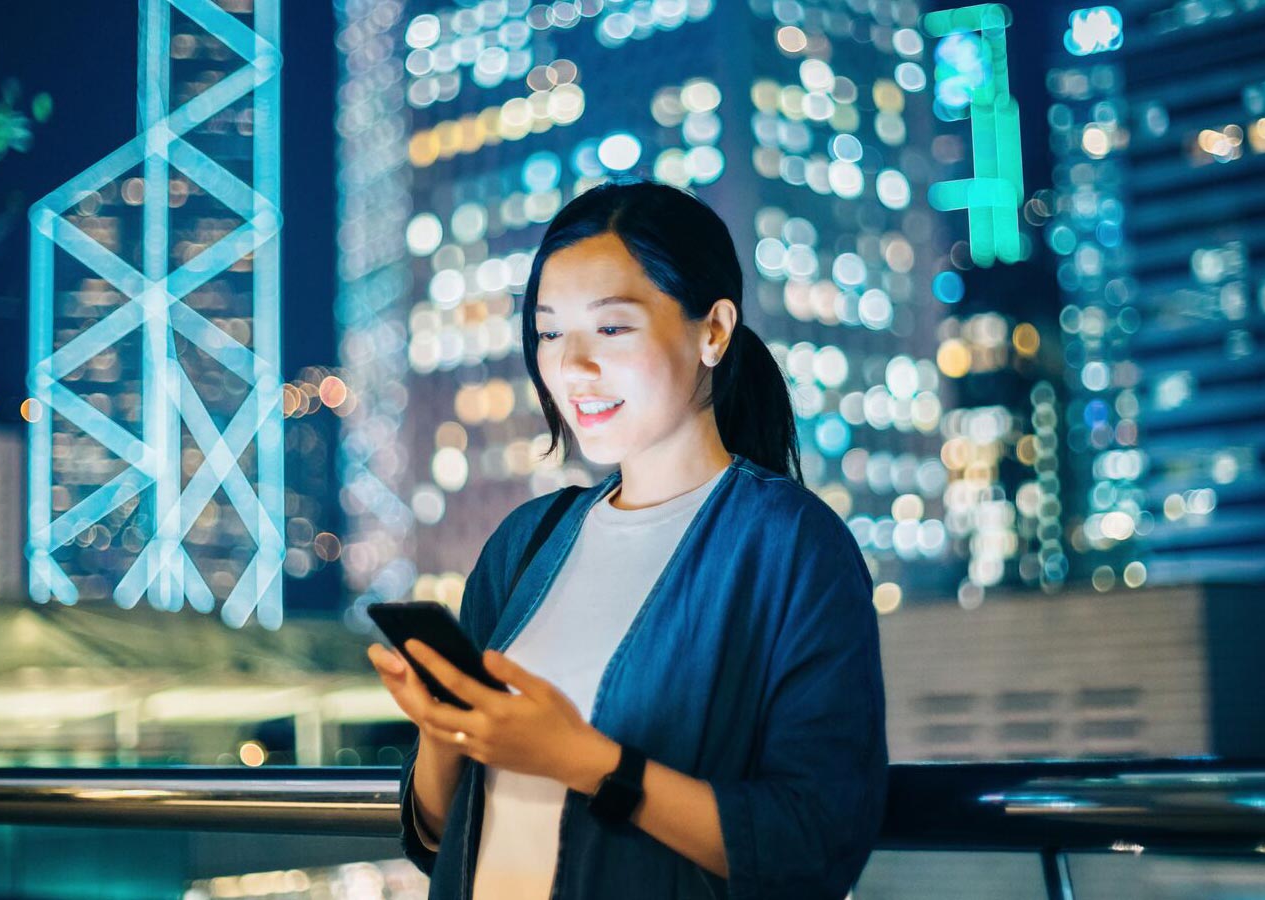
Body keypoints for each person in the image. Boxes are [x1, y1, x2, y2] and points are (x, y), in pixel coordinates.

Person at [367, 179, 887, 899]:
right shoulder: (527, 542)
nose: (571, 366)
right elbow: (438, 834)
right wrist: (443, 731)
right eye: (550, 332)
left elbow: (815, 840)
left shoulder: (790, 545)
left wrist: (585, 761)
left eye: (612, 328)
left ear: (713, 331)